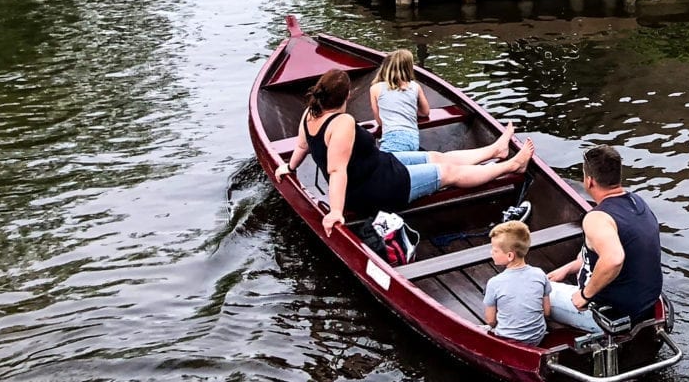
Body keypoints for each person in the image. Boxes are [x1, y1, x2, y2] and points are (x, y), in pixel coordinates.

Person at [277, 68, 533, 235]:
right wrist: (335, 211)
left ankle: (495, 150)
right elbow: (336, 170)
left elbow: (301, 147)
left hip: (380, 165)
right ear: (348, 95)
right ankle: (511, 166)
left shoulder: (309, 114)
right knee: (449, 172)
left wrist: (289, 167)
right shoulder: (341, 122)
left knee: (438, 157)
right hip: (378, 187)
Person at [546, 144, 663, 332]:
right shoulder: (638, 203)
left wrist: (585, 295)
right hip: (644, 307)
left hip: (607, 316)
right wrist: (568, 268)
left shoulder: (597, 218)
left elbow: (614, 259)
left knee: (530, 290)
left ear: (589, 181)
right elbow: (611, 251)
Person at [481, 221, 550, 345]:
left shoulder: (494, 283)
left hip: (508, 341)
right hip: (537, 337)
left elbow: (490, 320)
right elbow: (547, 312)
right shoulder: (539, 274)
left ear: (509, 256)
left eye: (495, 250)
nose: (491, 252)